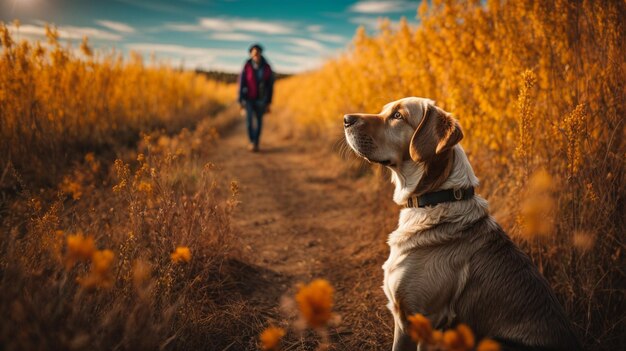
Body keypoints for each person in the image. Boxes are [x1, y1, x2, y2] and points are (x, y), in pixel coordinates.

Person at [238, 43, 274, 152]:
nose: (256, 55)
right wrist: (240, 100)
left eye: (257, 53)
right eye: (254, 53)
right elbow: (241, 82)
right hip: (248, 98)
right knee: (249, 122)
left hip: (261, 99)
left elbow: (270, 85)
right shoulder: (247, 66)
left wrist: (268, 102)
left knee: (259, 122)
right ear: (251, 54)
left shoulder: (267, 67)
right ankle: (251, 142)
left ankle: (256, 142)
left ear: (260, 53)